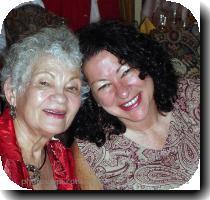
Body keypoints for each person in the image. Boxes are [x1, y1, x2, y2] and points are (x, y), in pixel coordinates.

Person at [66, 20, 200, 190]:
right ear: (93, 99)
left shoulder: (194, 95)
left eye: (126, 72)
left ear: (145, 62)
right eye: (103, 85)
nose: (122, 92)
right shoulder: (89, 154)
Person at [0, 25, 90, 190]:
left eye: (72, 87)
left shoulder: (63, 158)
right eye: (45, 82)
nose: (61, 97)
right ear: (12, 91)